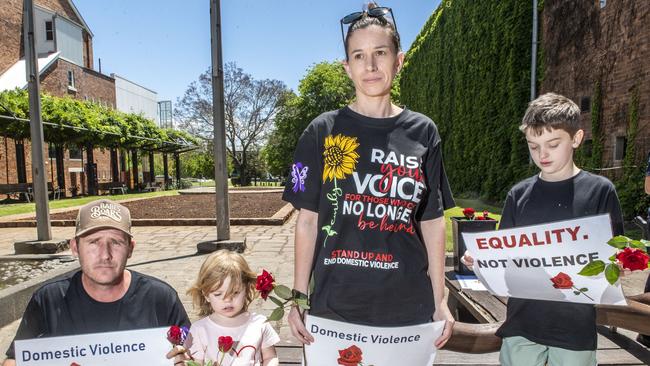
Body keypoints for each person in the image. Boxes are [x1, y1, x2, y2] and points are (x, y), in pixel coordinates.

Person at [282, 2, 455, 349]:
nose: (371, 65)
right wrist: (299, 299)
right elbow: (307, 221)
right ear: (347, 67)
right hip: (337, 305)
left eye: (380, 53)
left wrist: (440, 300)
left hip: (408, 306)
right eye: (359, 56)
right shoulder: (322, 131)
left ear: (399, 59)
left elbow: (432, 220)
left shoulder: (423, 131)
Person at [463, 93, 624, 366]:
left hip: (575, 327)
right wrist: (480, 260)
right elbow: (504, 253)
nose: (542, 154)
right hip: (522, 322)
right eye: (533, 146)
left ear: (576, 138)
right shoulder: (518, 194)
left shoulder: (600, 191)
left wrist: (619, 264)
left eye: (552, 144)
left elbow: (614, 256)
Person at [2, 199, 190, 366]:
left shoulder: (161, 298)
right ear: (75, 247)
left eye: (116, 242)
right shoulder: (49, 299)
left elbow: (194, 352)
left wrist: (187, 361)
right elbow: (14, 359)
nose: (105, 255)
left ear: (130, 249)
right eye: (93, 242)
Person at [180, 250, 280, 366]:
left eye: (235, 292)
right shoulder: (199, 330)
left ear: (247, 289)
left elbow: (270, 357)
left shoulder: (259, 324)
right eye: (218, 294)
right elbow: (195, 363)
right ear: (206, 295)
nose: (227, 300)